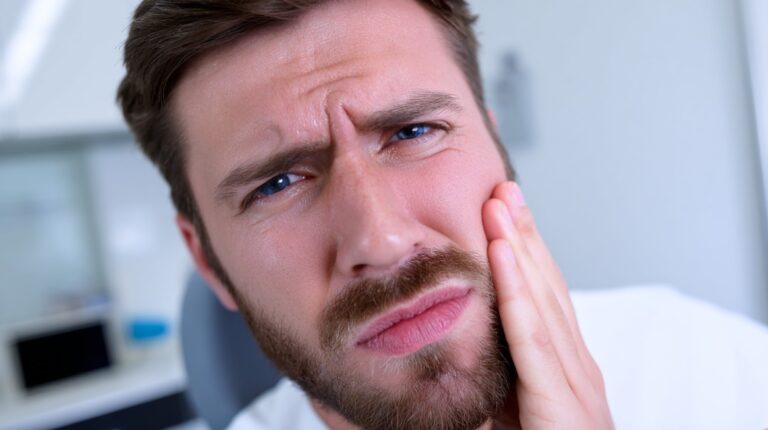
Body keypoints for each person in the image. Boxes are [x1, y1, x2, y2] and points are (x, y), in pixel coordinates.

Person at [117, 1, 768, 429]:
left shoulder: (719, 368)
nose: (383, 239)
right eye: (280, 182)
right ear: (208, 262)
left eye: (413, 131)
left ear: (498, 150)